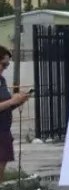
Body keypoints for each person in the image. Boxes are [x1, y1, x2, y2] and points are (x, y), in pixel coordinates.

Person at [0, 46, 30, 180]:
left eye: (7, 65)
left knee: (2, 165)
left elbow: (5, 105)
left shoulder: (2, 81)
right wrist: (12, 102)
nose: (5, 68)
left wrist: (18, 101)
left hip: (4, 130)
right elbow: (7, 103)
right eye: (3, 64)